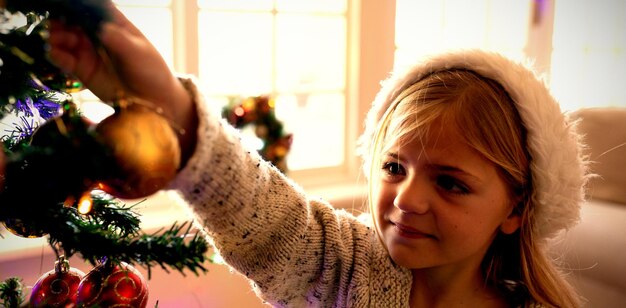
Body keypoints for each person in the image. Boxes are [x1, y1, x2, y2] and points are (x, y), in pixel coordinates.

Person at [47, 3, 588, 307]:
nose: (407, 199)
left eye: (451, 183)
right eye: (394, 167)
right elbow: (268, 219)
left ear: (516, 208)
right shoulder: (351, 268)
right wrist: (170, 104)